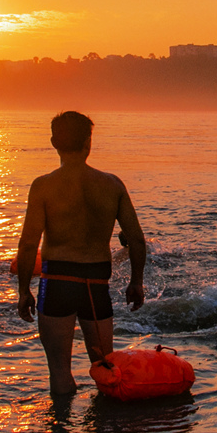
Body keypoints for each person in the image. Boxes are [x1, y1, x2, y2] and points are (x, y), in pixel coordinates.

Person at [14, 112, 146, 397]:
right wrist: (136, 282)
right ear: (89, 142)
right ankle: (103, 423)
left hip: (57, 282)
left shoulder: (43, 186)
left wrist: (24, 291)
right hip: (96, 284)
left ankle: (61, 423)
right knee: (105, 368)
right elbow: (136, 239)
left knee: (59, 371)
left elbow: (28, 244)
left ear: (53, 142)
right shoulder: (112, 185)